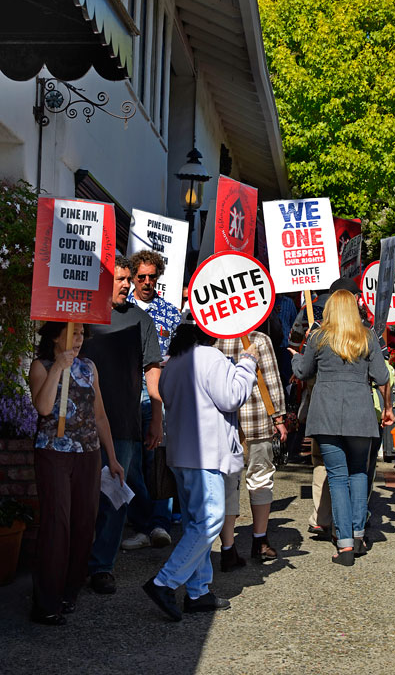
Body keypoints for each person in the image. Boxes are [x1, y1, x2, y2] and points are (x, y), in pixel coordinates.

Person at [142, 313, 258, 621]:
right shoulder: (210, 357)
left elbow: (165, 393)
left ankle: (198, 591)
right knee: (209, 522)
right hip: (205, 453)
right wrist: (247, 364)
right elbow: (232, 397)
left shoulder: (174, 360)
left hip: (181, 452)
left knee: (196, 524)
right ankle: (164, 582)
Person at [29, 322, 124, 625]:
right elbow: (43, 408)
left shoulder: (89, 367)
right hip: (54, 452)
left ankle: (69, 592)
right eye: (73, 333)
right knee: (57, 525)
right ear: (55, 336)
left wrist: (112, 457)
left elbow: (99, 415)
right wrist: (59, 366)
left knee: (84, 525)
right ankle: (46, 603)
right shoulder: (41, 365)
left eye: (82, 333)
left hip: (88, 453)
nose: (79, 339)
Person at [291, 290, 393, 566]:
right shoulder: (367, 336)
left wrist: (294, 357)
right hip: (360, 415)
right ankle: (358, 536)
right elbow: (382, 376)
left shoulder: (318, 337)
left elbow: (302, 372)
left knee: (337, 477)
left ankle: (345, 546)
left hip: (327, 415)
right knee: (360, 474)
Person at [82, 256, 163, 596]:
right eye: (119, 279)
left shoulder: (140, 321)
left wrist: (156, 416)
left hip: (123, 423)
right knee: (85, 497)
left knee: (114, 497)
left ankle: (102, 566)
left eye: (128, 278)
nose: (127, 284)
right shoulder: (85, 315)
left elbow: (153, 368)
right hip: (81, 422)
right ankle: (76, 560)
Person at [122, 250, 182, 550]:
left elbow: (178, 355)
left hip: (158, 391)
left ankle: (160, 524)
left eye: (152, 276)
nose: (147, 282)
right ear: (132, 277)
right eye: (141, 276)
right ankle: (142, 522)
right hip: (124, 390)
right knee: (129, 459)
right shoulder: (121, 308)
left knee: (157, 457)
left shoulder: (171, 313)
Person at [215, 331, 287, 569]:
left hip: (221, 421)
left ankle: (228, 547)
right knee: (261, 479)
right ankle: (259, 540)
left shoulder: (210, 336)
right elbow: (272, 380)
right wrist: (278, 418)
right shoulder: (259, 338)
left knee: (227, 484)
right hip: (256, 417)